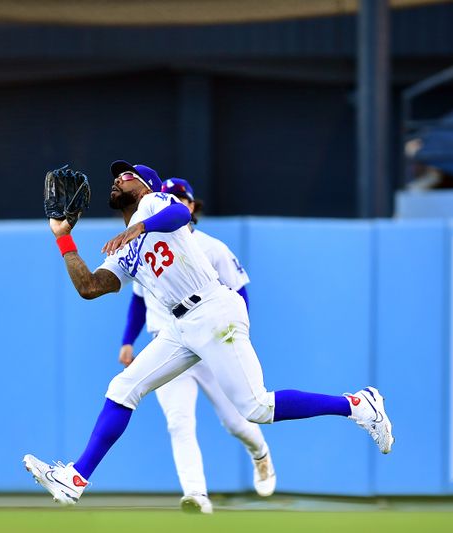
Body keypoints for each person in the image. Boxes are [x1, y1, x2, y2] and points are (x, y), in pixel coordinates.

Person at [23, 160, 394, 506]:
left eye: (128, 174)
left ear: (147, 185)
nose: (119, 178)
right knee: (123, 388)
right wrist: (62, 236)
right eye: (117, 176)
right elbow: (89, 287)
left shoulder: (154, 204)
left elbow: (180, 213)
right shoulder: (123, 252)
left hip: (213, 308)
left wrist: (138, 226)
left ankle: (357, 405)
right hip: (179, 326)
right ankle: (76, 478)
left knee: (256, 408)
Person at [119, 178, 275, 514]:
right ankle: (196, 495)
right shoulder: (143, 248)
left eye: (180, 198)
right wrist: (127, 341)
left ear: (191, 206)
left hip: (211, 340)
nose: (174, 201)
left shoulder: (211, 246)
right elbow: (137, 299)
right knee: (179, 422)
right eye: (168, 195)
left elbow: (240, 293)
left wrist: (236, 338)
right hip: (169, 343)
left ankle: (260, 454)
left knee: (239, 419)